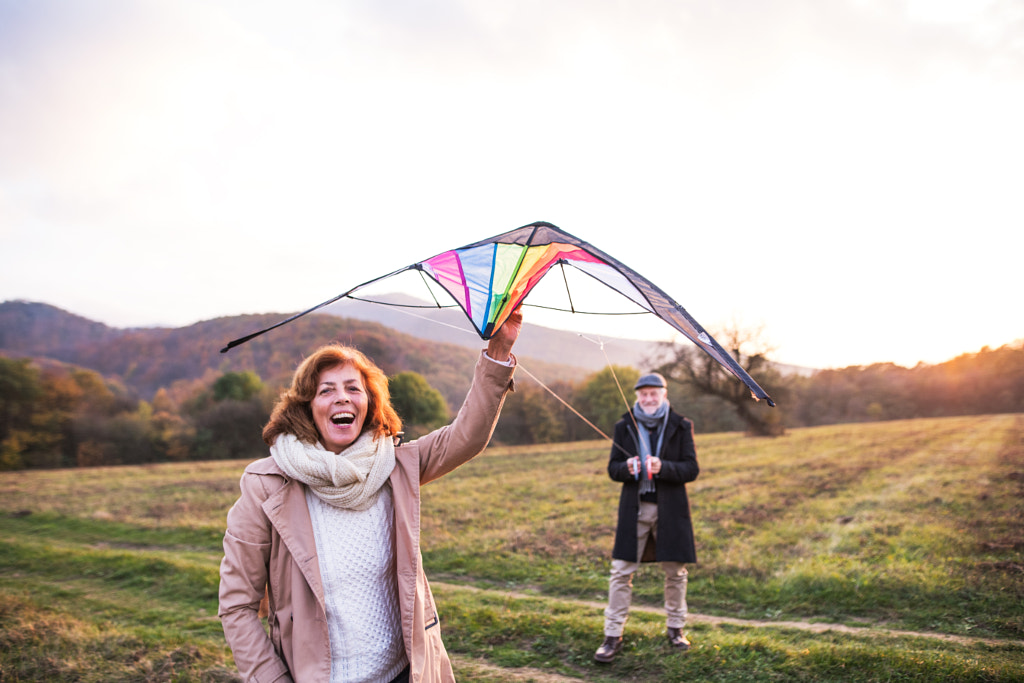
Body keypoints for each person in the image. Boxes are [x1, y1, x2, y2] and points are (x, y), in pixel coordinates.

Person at [218, 309, 522, 683]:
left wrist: (499, 350)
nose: (341, 398)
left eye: (353, 388)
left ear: (369, 403)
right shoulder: (266, 484)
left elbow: (467, 436)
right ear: (307, 407)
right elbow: (237, 606)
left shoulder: (394, 464)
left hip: (405, 675)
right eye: (326, 391)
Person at [594, 371, 700, 663]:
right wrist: (626, 467)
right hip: (635, 508)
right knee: (620, 572)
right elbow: (612, 469)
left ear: (664, 394)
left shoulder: (682, 425)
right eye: (643, 394)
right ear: (637, 396)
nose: (649, 399)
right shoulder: (623, 426)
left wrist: (663, 466)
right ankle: (612, 636)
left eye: (654, 393)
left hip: (671, 510)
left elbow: (691, 469)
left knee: (675, 573)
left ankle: (676, 630)